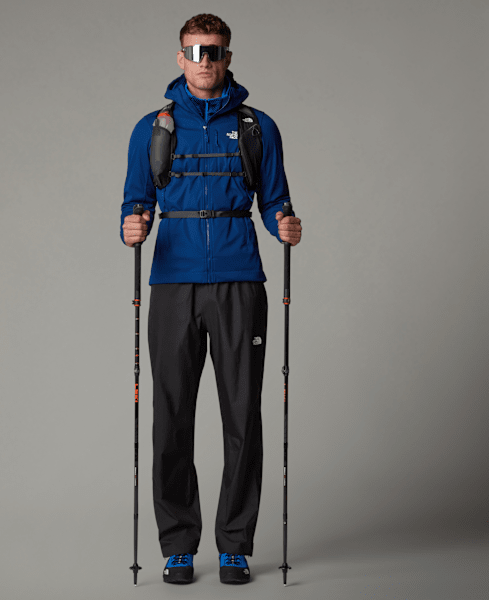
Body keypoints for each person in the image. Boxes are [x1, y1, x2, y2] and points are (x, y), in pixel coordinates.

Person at [120, 13, 302, 585]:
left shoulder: (257, 126)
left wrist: (285, 223)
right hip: (173, 283)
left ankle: (234, 546)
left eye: (214, 51)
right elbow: (135, 200)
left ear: (228, 57)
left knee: (242, 413)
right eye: (195, 51)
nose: (205, 61)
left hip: (239, 279)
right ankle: (177, 544)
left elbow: (274, 200)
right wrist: (130, 225)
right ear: (180, 58)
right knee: (171, 415)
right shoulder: (153, 127)